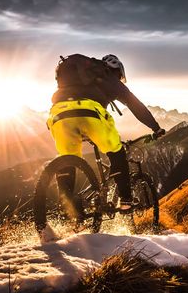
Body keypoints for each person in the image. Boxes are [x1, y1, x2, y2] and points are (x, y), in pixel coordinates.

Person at [47, 53, 164, 219]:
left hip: (58, 114)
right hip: (91, 114)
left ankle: (66, 204)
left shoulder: (78, 74)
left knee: (67, 158)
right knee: (116, 151)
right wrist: (156, 127)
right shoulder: (110, 78)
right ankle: (126, 200)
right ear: (117, 71)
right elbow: (135, 106)